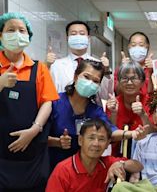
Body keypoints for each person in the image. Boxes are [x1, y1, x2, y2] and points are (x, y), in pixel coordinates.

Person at [48, 59, 148, 170]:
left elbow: (110, 131)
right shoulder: (54, 102)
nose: (90, 83)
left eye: (95, 81)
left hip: (85, 168)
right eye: (86, 77)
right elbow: (37, 135)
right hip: (52, 166)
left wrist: (132, 134)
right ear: (76, 77)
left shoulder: (94, 110)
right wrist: (57, 142)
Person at [0, 12, 59, 190]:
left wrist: (34, 129)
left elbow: (47, 102)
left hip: (32, 154)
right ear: (1, 35)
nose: (17, 34)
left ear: (28, 36)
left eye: (22, 30)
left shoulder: (38, 68)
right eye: (11, 30)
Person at [46, 118, 143, 192]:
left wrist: (121, 164)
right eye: (91, 138)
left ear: (107, 143)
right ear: (80, 140)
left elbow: (138, 166)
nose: (96, 144)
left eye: (101, 139)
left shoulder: (107, 163)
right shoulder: (63, 170)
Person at [46, 20, 113, 105]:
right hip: (63, 112)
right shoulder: (56, 65)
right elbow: (49, 93)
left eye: (82, 33)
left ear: (88, 38)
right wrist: (47, 66)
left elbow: (106, 95)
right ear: (67, 38)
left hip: (91, 113)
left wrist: (106, 70)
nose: (78, 37)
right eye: (73, 34)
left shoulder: (99, 64)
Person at [106, 60, 156, 156]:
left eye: (134, 78)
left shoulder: (150, 102)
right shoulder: (113, 103)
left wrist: (143, 114)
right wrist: (113, 114)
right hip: (118, 158)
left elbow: (155, 134)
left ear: (142, 82)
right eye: (124, 78)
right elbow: (109, 136)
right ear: (119, 82)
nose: (129, 82)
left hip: (148, 155)